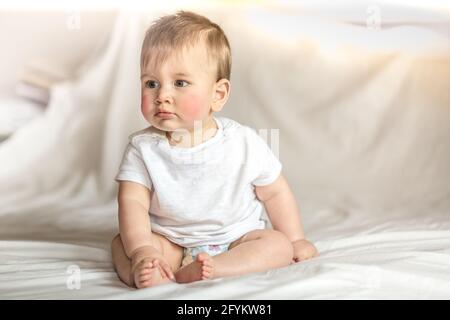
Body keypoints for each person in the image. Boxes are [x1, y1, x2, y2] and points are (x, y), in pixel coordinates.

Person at [111, 10, 318, 289]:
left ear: (217, 95)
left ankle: (216, 268)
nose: (162, 95)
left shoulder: (243, 142)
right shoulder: (142, 148)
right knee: (120, 244)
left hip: (236, 239)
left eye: (180, 83)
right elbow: (133, 203)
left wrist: (295, 239)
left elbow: (276, 191)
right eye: (151, 83)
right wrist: (141, 250)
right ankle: (149, 270)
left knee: (277, 246)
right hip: (171, 242)